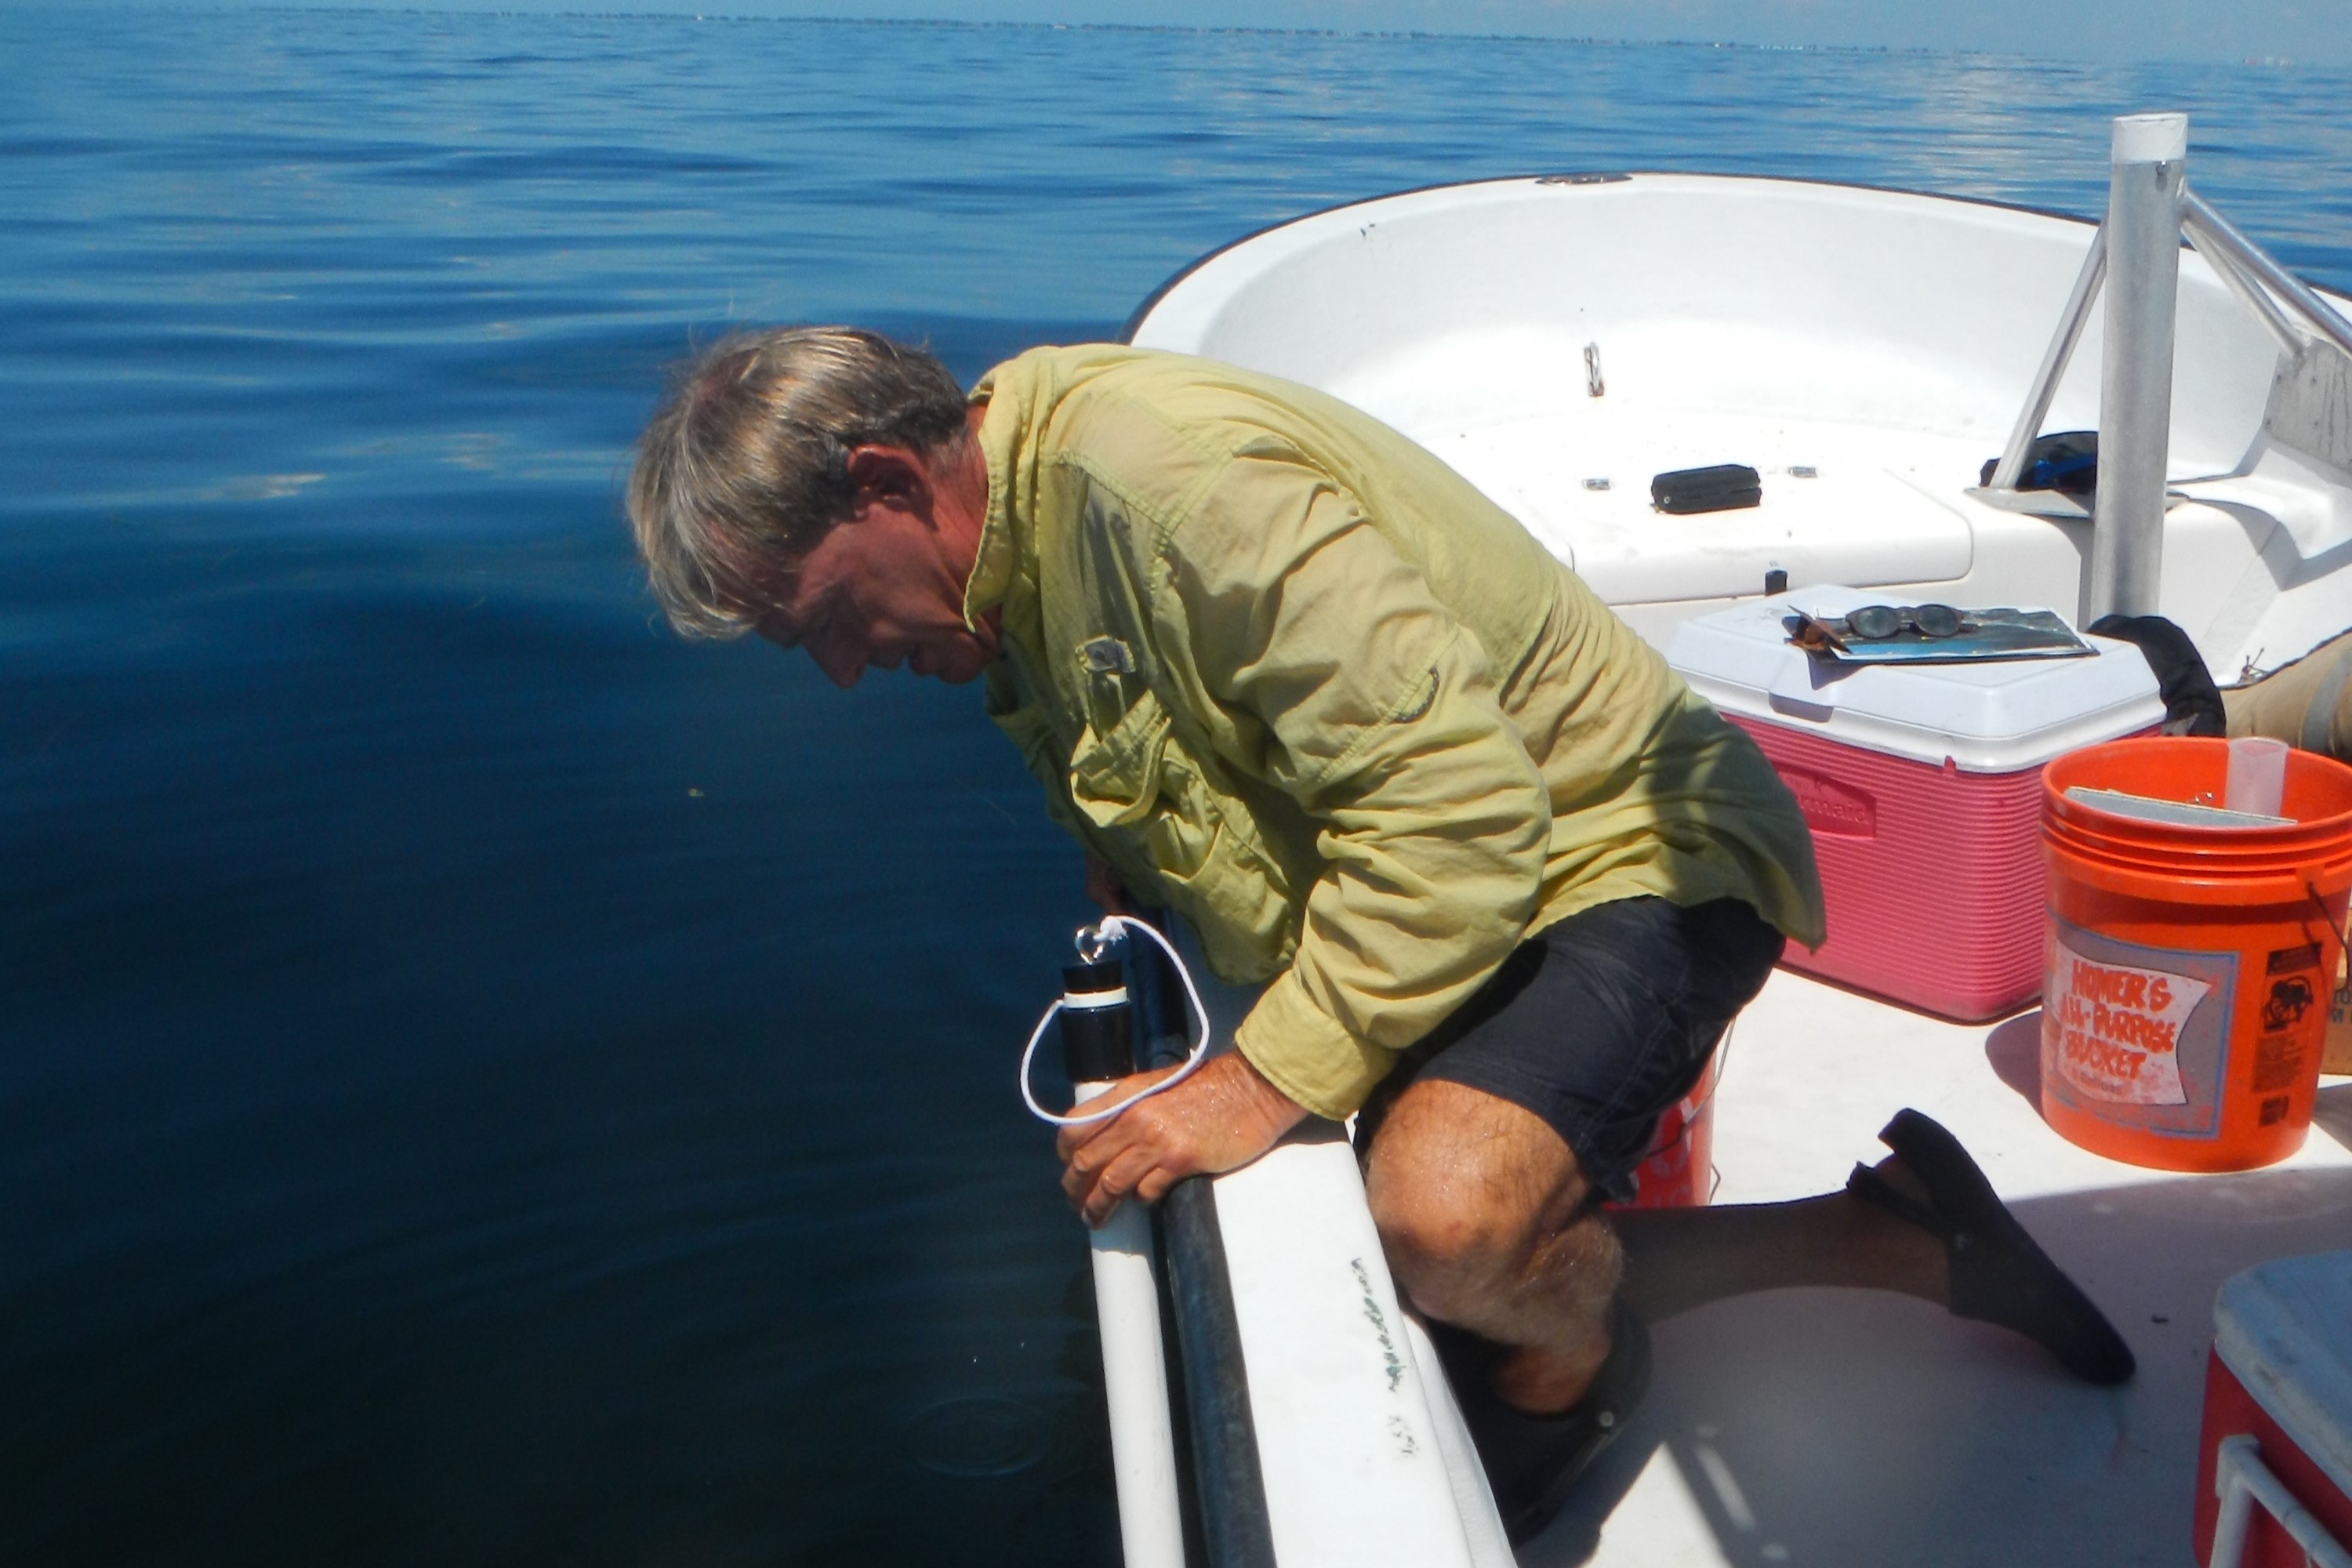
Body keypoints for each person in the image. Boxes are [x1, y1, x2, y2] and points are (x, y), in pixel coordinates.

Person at [627, 327, 2136, 1542]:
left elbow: (1462, 820)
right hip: (1453, 887)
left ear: (889, 481)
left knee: (1445, 1224)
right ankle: (1894, 1236)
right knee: (1403, 1246)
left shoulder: (1176, 486)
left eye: (822, 620)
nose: (840, 673)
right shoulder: (997, 543)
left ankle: (1583, 1366)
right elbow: (1123, 762)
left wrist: (1257, 1081)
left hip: (1625, 855)